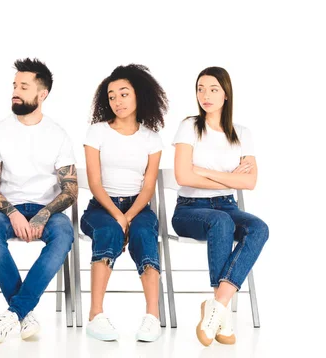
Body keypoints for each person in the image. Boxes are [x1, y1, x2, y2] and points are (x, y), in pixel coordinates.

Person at [0, 58, 77, 343]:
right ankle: (24, 313)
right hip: (7, 209)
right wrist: (12, 213)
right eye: (14, 85)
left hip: (47, 210)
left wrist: (43, 214)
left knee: (64, 234)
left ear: (42, 94)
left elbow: (70, 190)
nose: (15, 91)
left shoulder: (57, 135)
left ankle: (15, 312)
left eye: (24, 86)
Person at [172, 66, 269, 346]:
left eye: (213, 89)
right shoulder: (189, 125)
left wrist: (204, 171)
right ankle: (221, 312)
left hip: (227, 206)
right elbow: (183, 176)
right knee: (221, 221)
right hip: (190, 209)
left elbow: (249, 182)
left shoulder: (242, 133)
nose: (206, 95)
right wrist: (229, 179)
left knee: (259, 228)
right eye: (200, 88)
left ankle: (216, 306)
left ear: (226, 94)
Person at [81, 64, 168, 342]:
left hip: (138, 207)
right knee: (109, 231)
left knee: (144, 234)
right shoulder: (97, 132)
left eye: (123, 94)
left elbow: (148, 187)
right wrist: (117, 216)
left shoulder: (152, 139)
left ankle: (152, 316)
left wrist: (128, 216)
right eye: (111, 96)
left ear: (139, 95)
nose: (117, 101)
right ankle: (96, 315)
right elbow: (95, 183)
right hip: (101, 207)